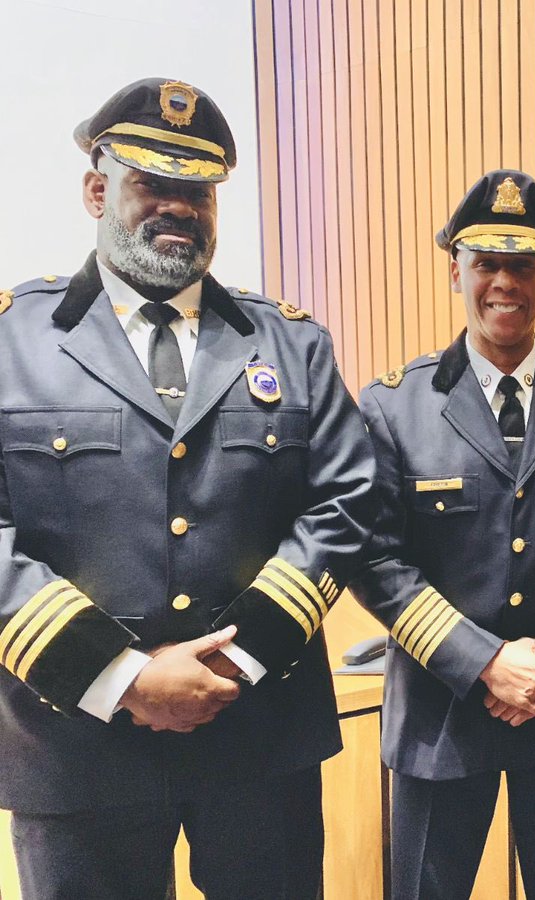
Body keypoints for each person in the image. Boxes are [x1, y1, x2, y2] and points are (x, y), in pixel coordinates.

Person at [0, 77, 376, 899]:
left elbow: (348, 502)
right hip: (76, 744)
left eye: (197, 189)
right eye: (151, 182)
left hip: (259, 736)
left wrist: (235, 658)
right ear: (97, 190)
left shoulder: (292, 343)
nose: (177, 206)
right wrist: (124, 678)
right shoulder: (12, 342)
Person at [351, 169, 535, 900]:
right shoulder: (395, 406)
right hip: (440, 708)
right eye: (487, 263)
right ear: (456, 269)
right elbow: (373, 557)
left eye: (522, 264)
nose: (505, 283)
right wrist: (485, 662)